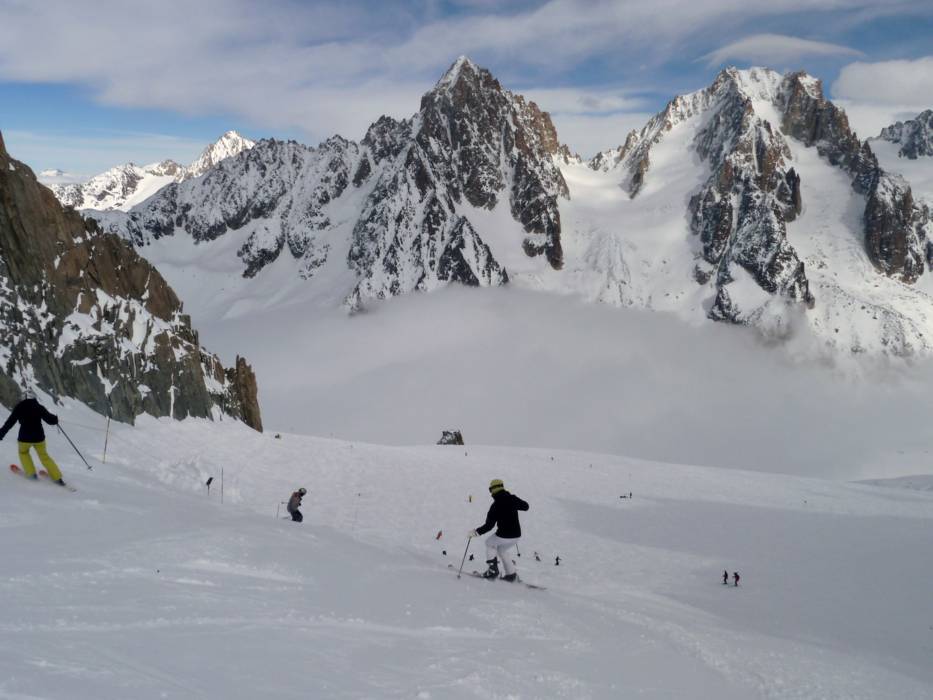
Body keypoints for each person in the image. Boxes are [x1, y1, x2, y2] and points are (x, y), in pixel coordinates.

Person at [0, 389, 66, 485]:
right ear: (34, 397)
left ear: (23, 398)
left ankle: (31, 474)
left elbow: (9, 423)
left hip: (24, 438)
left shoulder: (19, 407)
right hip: (39, 438)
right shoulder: (38, 406)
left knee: (23, 453)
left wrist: (1, 433)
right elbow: (50, 420)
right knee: (44, 456)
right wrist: (55, 419)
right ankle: (57, 478)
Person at [468, 479, 529, 583]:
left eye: (490, 489)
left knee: (489, 543)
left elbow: (489, 526)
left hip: (504, 535)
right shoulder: (512, 499)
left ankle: (492, 571)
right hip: (516, 535)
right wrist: (513, 500)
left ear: (494, 489)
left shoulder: (495, 506)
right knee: (501, 550)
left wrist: (476, 532)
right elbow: (526, 506)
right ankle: (511, 575)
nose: (490, 492)